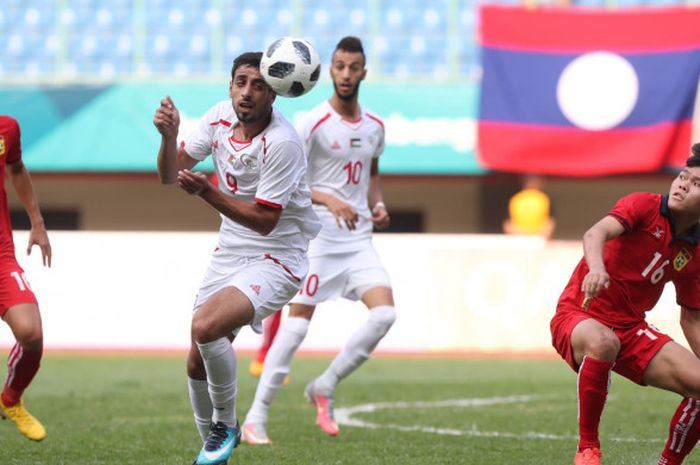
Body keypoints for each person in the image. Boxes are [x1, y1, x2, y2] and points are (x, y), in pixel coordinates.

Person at [153, 52, 320, 465]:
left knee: (205, 326)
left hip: (278, 256)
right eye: (240, 82)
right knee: (196, 360)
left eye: (258, 84)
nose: (247, 92)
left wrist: (207, 192)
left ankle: (226, 425)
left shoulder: (282, 143)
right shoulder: (216, 119)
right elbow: (166, 174)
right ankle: (217, 455)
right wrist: (167, 139)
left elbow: (265, 221)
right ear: (230, 87)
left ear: (275, 93)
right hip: (230, 251)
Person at [241, 36, 396, 445]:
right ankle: (256, 417)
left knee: (384, 316)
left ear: (364, 71)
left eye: (354, 67)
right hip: (320, 240)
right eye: (340, 66)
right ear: (329, 70)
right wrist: (328, 198)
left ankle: (324, 385)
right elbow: (290, 180)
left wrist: (377, 205)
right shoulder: (313, 122)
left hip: (359, 240)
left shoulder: (376, 126)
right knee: (294, 331)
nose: (346, 74)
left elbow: (372, 176)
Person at [551, 143, 700, 465]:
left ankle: (668, 463)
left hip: (631, 329)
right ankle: (587, 447)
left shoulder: (695, 250)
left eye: (696, 184)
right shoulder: (644, 205)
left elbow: (691, 317)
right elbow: (595, 233)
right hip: (580, 314)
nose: (683, 185)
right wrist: (598, 268)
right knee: (604, 341)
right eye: (683, 177)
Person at [0, 116, 51, 442]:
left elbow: (16, 168)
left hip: (1, 255)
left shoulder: (7, 128)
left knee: (31, 332)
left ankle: (10, 400)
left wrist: (37, 221)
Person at [503, 174, 555, 239]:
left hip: (535, 238)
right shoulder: (516, 199)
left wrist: (540, 236)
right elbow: (508, 224)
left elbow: (549, 223)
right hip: (519, 238)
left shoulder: (544, 199)